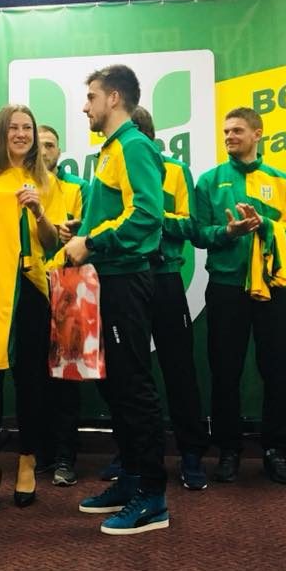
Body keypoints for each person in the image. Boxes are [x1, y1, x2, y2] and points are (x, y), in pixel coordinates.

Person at [67, 65, 169, 536]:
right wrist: (82, 232)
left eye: (91, 97)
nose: (84, 106)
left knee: (133, 387)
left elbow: (147, 215)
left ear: (113, 98)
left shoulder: (134, 146)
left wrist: (92, 242)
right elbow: (118, 211)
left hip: (126, 281)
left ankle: (153, 497)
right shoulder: (109, 149)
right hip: (103, 280)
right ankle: (130, 479)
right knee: (113, 386)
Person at [192, 106, 286, 484]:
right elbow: (197, 233)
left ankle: (275, 450)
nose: (229, 137)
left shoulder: (281, 180)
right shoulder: (209, 180)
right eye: (226, 132)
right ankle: (228, 450)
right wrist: (228, 232)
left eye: (237, 130)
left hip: (271, 287)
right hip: (226, 286)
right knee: (225, 371)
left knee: (276, 370)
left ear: (257, 134)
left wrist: (266, 225)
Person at [0, 104, 64, 510]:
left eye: (27, 127)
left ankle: (28, 460)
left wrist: (38, 210)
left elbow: (53, 242)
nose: (22, 134)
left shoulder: (49, 183)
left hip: (32, 287)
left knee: (31, 378)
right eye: (14, 127)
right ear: (1, 134)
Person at [130, 105, 210, 490]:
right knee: (131, 372)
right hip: (127, 280)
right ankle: (132, 453)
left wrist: (153, 218)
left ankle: (191, 452)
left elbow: (192, 225)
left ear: (146, 136)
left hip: (165, 278)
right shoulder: (113, 171)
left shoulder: (176, 170)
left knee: (179, 369)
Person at [37, 123, 89, 487]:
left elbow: (86, 233)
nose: (44, 151)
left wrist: (74, 233)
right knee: (33, 376)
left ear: (60, 150)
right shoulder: (19, 187)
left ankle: (66, 458)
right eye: (39, 145)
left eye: (50, 145)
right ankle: (40, 452)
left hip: (67, 287)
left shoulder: (78, 188)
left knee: (66, 377)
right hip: (27, 288)